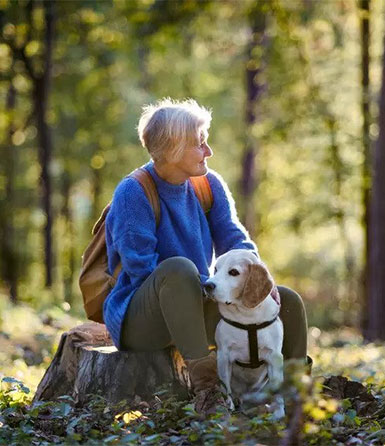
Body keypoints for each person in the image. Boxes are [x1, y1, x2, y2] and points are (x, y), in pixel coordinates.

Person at [103, 98, 308, 415]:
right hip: (143, 318)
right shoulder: (133, 192)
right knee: (178, 270)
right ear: (172, 148)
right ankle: (209, 393)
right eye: (200, 144)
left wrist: (259, 280)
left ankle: (294, 397)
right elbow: (141, 268)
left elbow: (235, 239)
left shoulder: (208, 184)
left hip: (199, 302)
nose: (208, 151)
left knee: (287, 300)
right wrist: (209, 286)